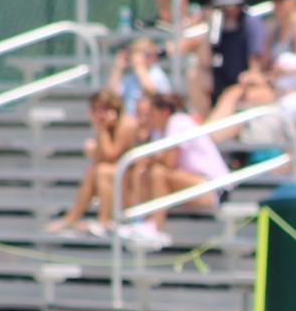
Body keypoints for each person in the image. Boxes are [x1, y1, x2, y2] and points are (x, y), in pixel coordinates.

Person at [127, 93, 230, 244]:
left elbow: (169, 163)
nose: (147, 119)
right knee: (145, 172)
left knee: (157, 173)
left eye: (151, 114)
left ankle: (154, 228)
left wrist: (148, 154)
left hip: (213, 189)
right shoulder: (163, 131)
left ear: (164, 112)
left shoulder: (177, 121)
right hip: (199, 184)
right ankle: (140, 223)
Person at [46, 89, 140, 236]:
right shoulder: (109, 127)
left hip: (134, 182)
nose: (99, 114)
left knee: (101, 170)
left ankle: (104, 220)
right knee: (94, 170)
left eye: (103, 108)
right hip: (120, 178)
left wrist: (101, 129)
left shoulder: (127, 124)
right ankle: (72, 218)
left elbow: (111, 156)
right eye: (95, 109)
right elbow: (101, 157)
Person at [108, 38, 173, 117]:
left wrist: (139, 67)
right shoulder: (130, 77)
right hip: (131, 120)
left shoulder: (157, 73)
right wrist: (118, 69)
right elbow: (112, 96)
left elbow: (153, 94)